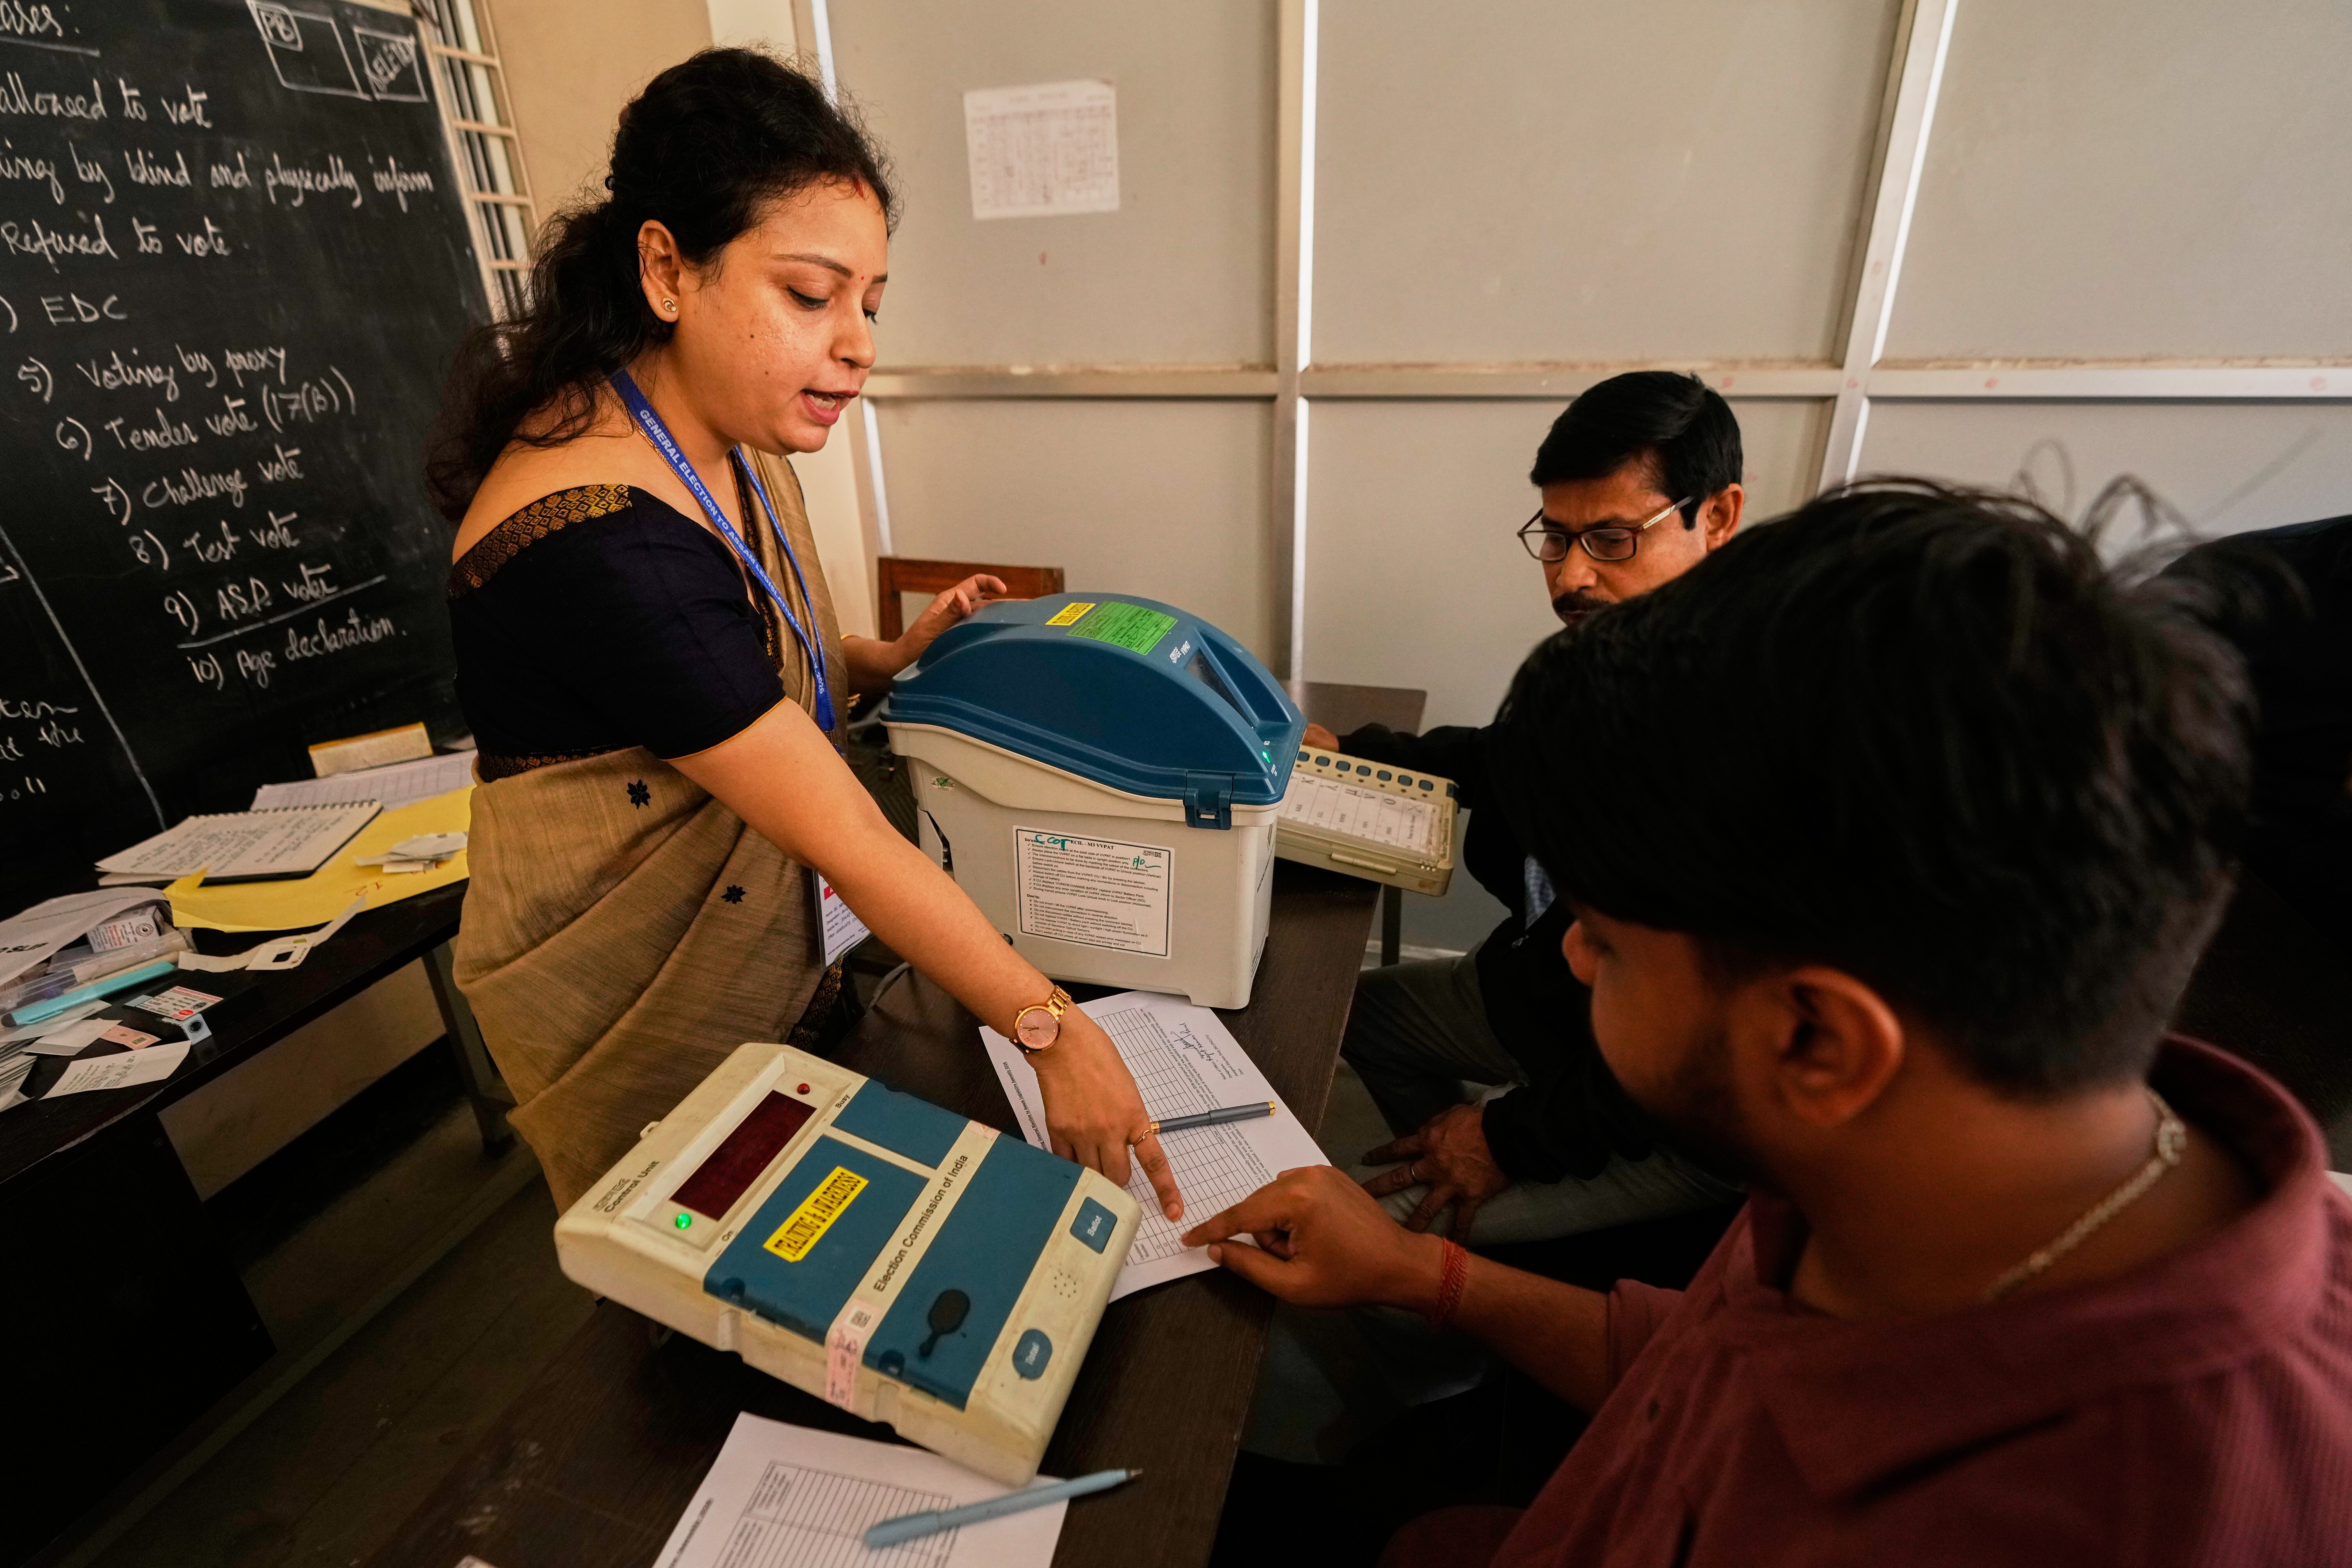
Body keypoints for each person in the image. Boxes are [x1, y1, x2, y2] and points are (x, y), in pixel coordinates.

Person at [1190, 481, 2352, 1565]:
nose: (1577, 955)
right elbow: (1708, 1377)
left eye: (1609, 937)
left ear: (1817, 1041)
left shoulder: (2161, 1509)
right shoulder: (1905, 1175)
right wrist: (1422, 1273)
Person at [423, 50, 1181, 1222]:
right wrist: (1051, 1027)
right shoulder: (599, 540)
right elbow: (840, 832)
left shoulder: (705, 426)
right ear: (668, 268)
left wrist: (880, 655)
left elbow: (733, 656)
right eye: (811, 296)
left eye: (870, 302)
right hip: (648, 1010)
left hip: (781, 962)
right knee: (698, 1279)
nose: (859, 342)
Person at [1305, 371, 1745, 1246]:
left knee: (1364, 1251)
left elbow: (1714, 1043)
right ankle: (1469, 1221)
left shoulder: (1747, 729)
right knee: (1348, 1017)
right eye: (1557, 537)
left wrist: (1512, 1139)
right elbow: (1504, 758)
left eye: (1614, 539)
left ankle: (1460, 1287)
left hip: (1676, 1105)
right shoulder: (1613, 659)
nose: (1572, 577)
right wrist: (1351, 756)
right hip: (1555, 1007)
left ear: (1718, 518)